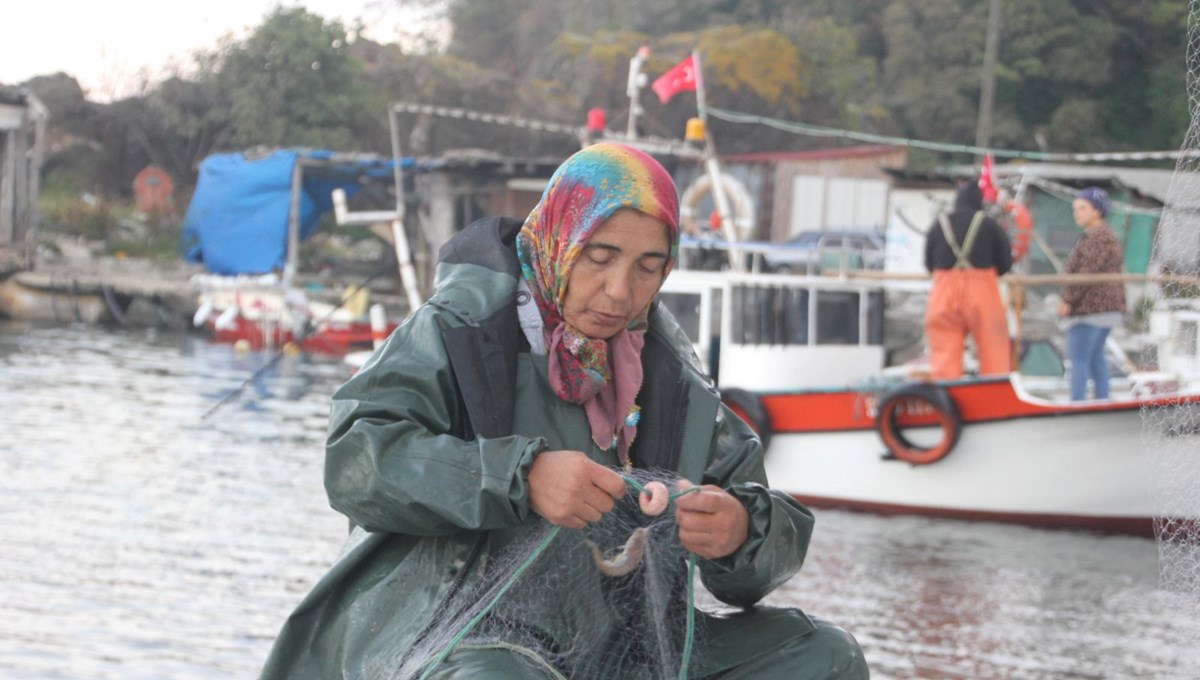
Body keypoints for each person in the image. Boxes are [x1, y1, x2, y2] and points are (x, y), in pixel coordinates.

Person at [258, 142, 869, 679]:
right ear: (557, 240)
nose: (620, 291)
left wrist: (739, 532)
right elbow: (356, 460)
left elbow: (761, 541)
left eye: (647, 267)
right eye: (599, 258)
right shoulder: (460, 330)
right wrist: (520, 477)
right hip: (460, 635)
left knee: (824, 656)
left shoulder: (672, 375)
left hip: (622, 652)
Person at [923, 180, 1014, 379]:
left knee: (944, 349)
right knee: (993, 346)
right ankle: (994, 390)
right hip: (981, 290)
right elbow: (1006, 263)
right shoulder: (990, 225)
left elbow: (929, 263)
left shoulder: (939, 224)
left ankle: (945, 396)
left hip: (944, 290)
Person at [1058, 186, 1126, 401]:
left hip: (1091, 309)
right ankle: (1102, 400)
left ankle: (1077, 402)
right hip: (1106, 309)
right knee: (1096, 357)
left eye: (1082, 208)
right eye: (1075, 208)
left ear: (1097, 210)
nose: (1076, 213)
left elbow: (1086, 273)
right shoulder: (1102, 236)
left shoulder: (1098, 237)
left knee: (1078, 359)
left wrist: (1067, 300)